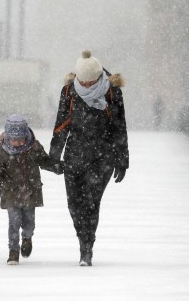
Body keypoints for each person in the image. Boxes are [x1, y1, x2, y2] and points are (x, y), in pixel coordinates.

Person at [49, 50, 128, 266]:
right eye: (82, 82)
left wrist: (122, 160)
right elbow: (61, 125)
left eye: (90, 82)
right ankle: (82, 238)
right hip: (75, 155)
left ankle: (87, 248)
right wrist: (54, 157)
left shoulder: (112, 92)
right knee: (74, 205)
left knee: (91, 203)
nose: (85, 86)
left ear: (98, 77)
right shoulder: (68, 92)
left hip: (103, 157)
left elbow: (119, 127)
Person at [0, 114, 63, 265]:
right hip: (11, 193)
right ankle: (13, 251)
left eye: (20, 139)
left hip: (30, 192)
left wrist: (57, 167)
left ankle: (27, 238)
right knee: (14, 222)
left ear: (26, 135)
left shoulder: (34, 148)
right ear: (8, 137)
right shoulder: (2, 152)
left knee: (29, 222)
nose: (17, 143)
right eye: (13, 140)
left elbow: (44, 161)